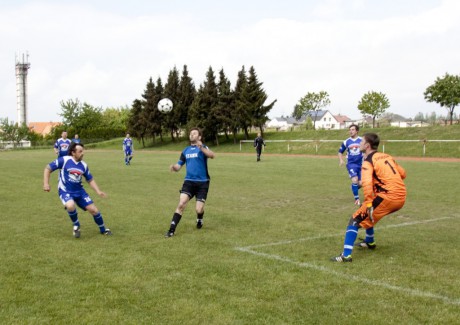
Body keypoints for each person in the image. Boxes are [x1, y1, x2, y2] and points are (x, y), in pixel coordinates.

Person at [331, 133, 406, 262]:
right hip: (401, 196)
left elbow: (366, 184)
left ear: (367, 146)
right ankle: (370, 241)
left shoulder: (368, 161)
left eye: (362, 142)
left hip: (387, 197)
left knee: (355, 219)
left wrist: (370, 203)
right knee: (363, 209)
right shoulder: (387, 156)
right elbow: (403, 174)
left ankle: (346, 255)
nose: (359, 143)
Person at [43, 142, 112, 238]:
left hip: (80, 192)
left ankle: (103, 229)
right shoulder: (64, 160)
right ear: (73, 152)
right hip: (65, 190)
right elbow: (48, 168)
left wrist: (98, 191)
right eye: (80, 151)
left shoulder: (83, 165)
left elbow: (90, 179)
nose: (83, 153)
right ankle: (76, 225)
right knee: (70, 205)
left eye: (83, 151)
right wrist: (46, 183)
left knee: (94, 210)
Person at [165, 127, 215, 237]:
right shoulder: (185, 150)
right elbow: (179, 166)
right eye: (190, 133)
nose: (191, 135)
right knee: (181, 204)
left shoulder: (203, 148)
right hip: (189, 182)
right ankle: (171, 230)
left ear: (199, 137)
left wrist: (201, 147)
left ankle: (199, 218)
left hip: (203, 183)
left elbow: (212, 155)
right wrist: (174, 167)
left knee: (199, 209)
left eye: (194, 133)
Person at [338, 124, 363, 205]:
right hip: (351, 164)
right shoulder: (346, 142)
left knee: (361, 183)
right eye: (350, 130)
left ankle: (353, 186)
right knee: (355, 179)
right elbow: (340, 152)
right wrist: (341, 160)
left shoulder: (362, 140)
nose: (350, 131)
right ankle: (357, 199)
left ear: (357, 131)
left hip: (362, 164)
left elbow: (367, 150)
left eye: (352, 129)